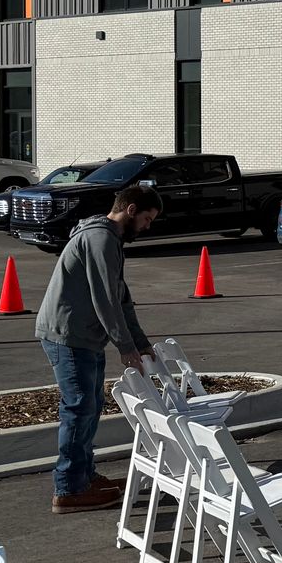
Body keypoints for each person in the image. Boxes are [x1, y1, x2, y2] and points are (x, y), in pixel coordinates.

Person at [35, 183, 163, 514]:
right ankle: (68, 489)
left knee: (89, 407)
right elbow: (105, 299)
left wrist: (141, 342)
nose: (147, 227)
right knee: (78, 409)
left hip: (84, 336)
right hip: (68, 335)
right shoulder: (100, 239)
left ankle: (84, 477)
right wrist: (125, 346)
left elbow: (122, 299)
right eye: (147, 219)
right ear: (131, 210)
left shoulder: (110, 240)